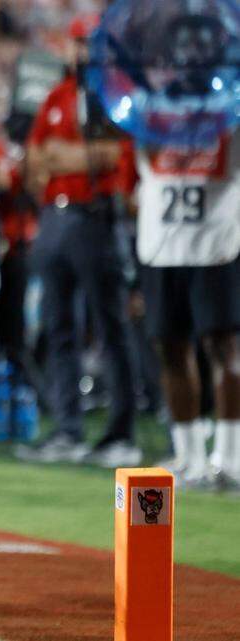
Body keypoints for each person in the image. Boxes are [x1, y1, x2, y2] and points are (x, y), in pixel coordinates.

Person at [16, 16, 140, 468]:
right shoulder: (56, 95)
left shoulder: (118, 95)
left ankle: (120, 434)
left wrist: (63, 156)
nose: (83, 52)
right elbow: (34, 158)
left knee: (110, 327)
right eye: (78, 43)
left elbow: (117, 155)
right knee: (58, 328)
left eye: (91, 44)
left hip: (95, 217)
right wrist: (78, 158)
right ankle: (67, 429)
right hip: (54, 216)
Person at [130, 13, 240, 489]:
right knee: (170, 346)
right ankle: (189, 454)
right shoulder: (146, 110)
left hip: (215, 238)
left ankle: (230, 456)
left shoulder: (231, 106)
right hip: (162, 239)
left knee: (224, 345)